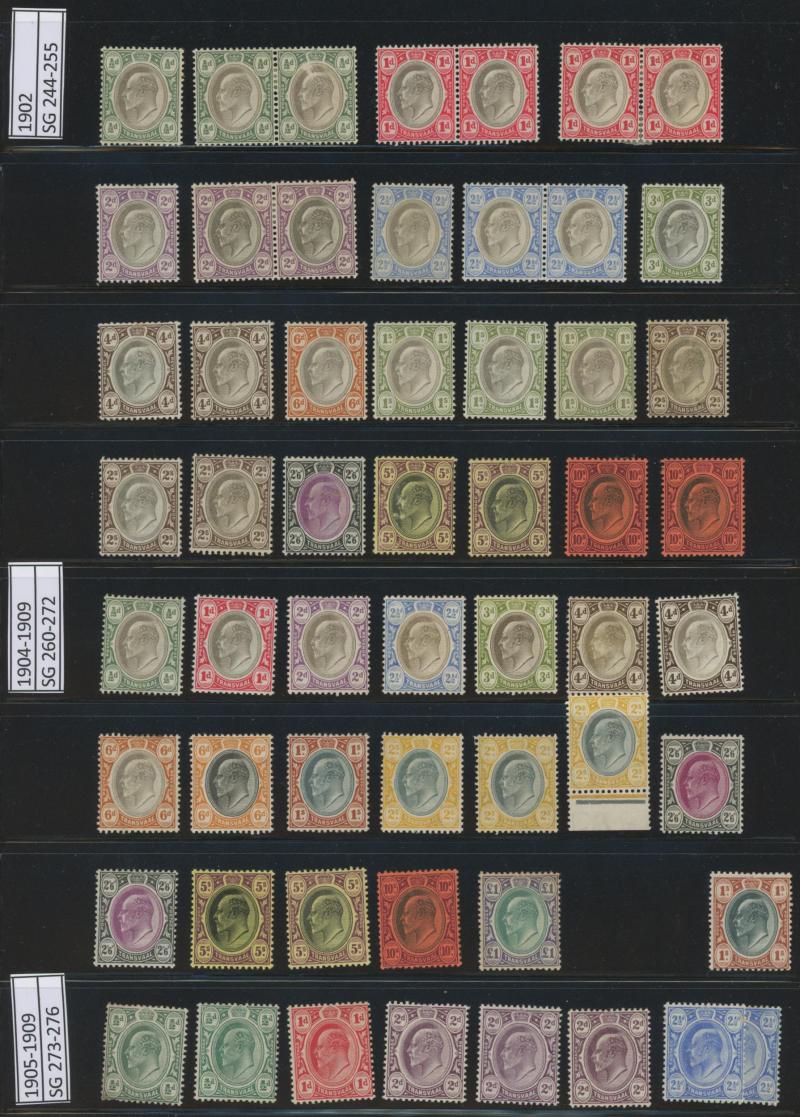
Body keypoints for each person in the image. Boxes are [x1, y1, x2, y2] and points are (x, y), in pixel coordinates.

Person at [296, 64, 339, 128]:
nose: (299, 95)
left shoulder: (327, 118)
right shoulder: (316, 120)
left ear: (318, 91)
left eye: (304, 89)